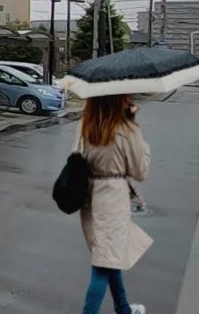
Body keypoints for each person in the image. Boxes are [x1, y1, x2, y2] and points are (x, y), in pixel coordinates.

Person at [75, 94, 152, 314]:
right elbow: (140, 171)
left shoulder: (85, 125)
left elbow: (75, 157)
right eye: (126, 97)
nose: (129, 100)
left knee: (108, 255)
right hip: (112, 200)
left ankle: (124, 308)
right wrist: (139, 136)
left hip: (89, 198)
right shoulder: (126, 129)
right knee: (103, 264)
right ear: (116, 100)